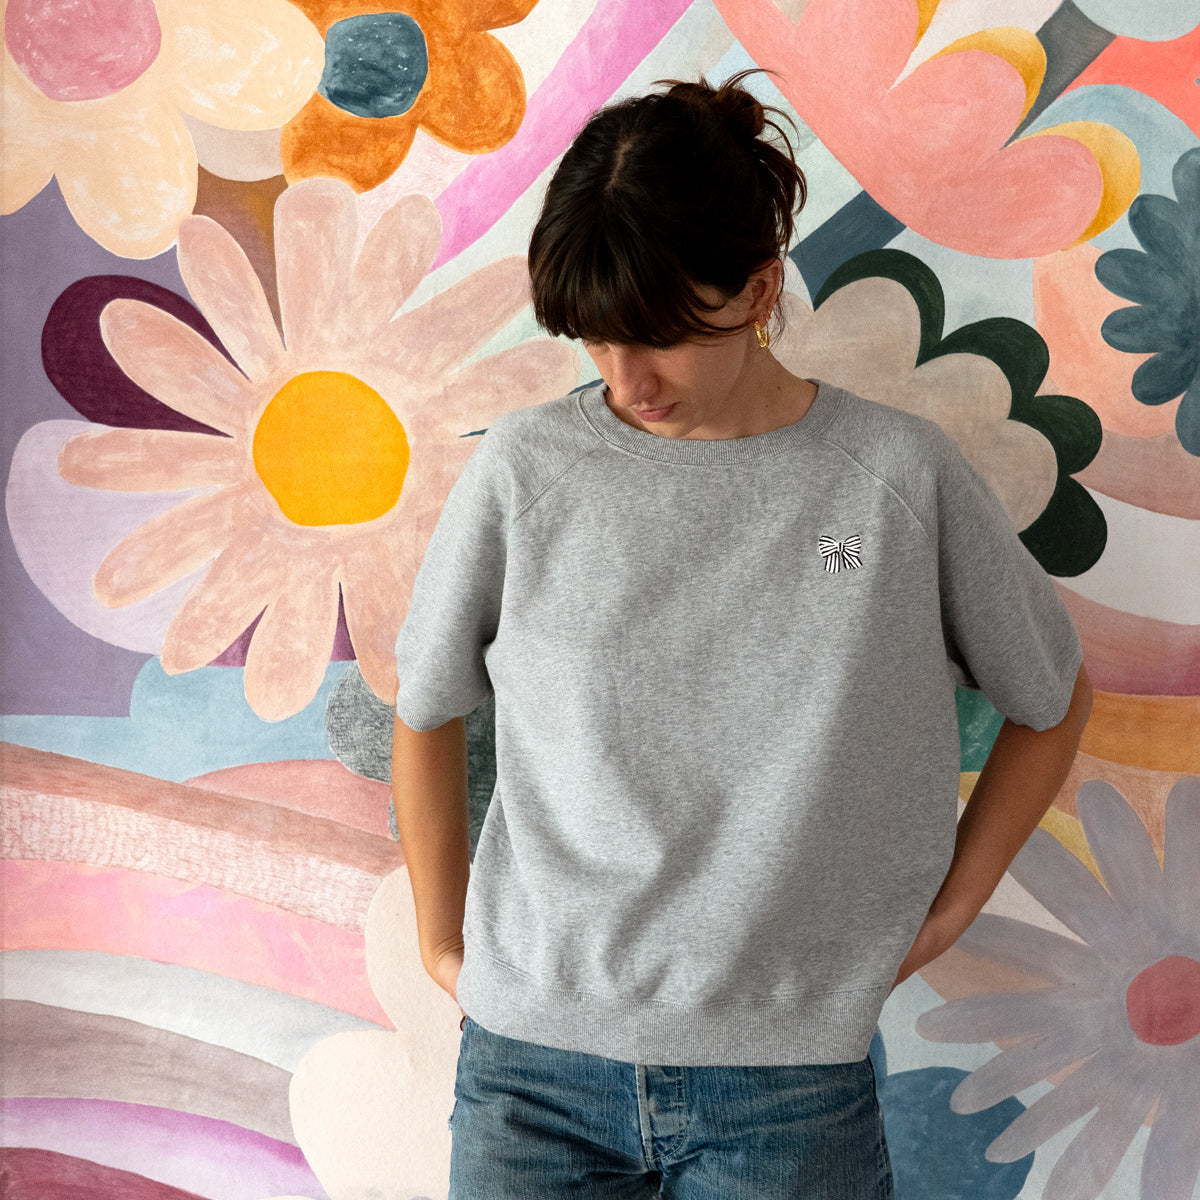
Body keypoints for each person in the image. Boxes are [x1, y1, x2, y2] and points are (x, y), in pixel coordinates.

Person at [391, 71, 1092, 1200]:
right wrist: (442, 948)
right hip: (529, 1079)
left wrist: (949, 912)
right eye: (597, 340)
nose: (628, 379)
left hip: (788, 1091)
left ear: (760, 288)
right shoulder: (523, 473)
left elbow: (1049, 700)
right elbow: (425, 710)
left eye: (660, 336)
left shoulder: (892, 483)